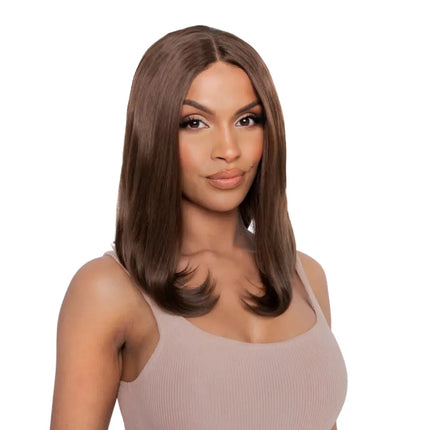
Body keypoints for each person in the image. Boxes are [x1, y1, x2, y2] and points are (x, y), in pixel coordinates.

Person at [50, 25, 347, 430]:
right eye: (195, 123)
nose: (228, 150)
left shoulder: (305, 277)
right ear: (153, 134)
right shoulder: (107, 290)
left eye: (247, 119)